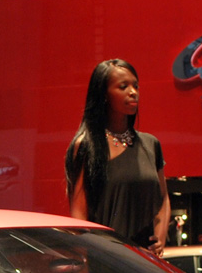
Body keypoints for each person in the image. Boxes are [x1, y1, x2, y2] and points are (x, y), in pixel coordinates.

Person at [65, 58, 170, 255]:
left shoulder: (151, 144)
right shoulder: (87, 145)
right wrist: (84, 259)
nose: (133, 92)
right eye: (123, 87)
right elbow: (79, 214)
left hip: (146, 259)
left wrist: (160, 238)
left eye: (135, 86)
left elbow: (162, 198)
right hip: (106, 258)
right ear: (104, 94)